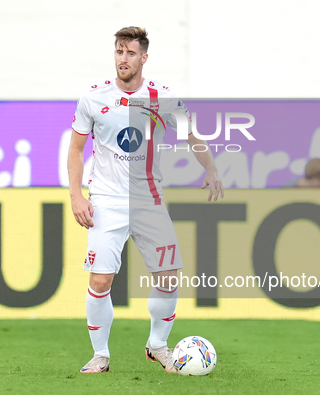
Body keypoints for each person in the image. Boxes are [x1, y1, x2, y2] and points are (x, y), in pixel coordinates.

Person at [68, 26, 224, 374]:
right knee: (100, 280)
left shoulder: (163, 97)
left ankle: (157, 346)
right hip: (106, 201)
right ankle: (100, 355)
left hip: (149, 199)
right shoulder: (93, 97)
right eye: (119, 52)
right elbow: (76, 149)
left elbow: (192, 136)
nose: (123, 59)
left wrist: (211, 169)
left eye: (129, 53)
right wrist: (76, 195)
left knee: (168, 277)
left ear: (143, 58)